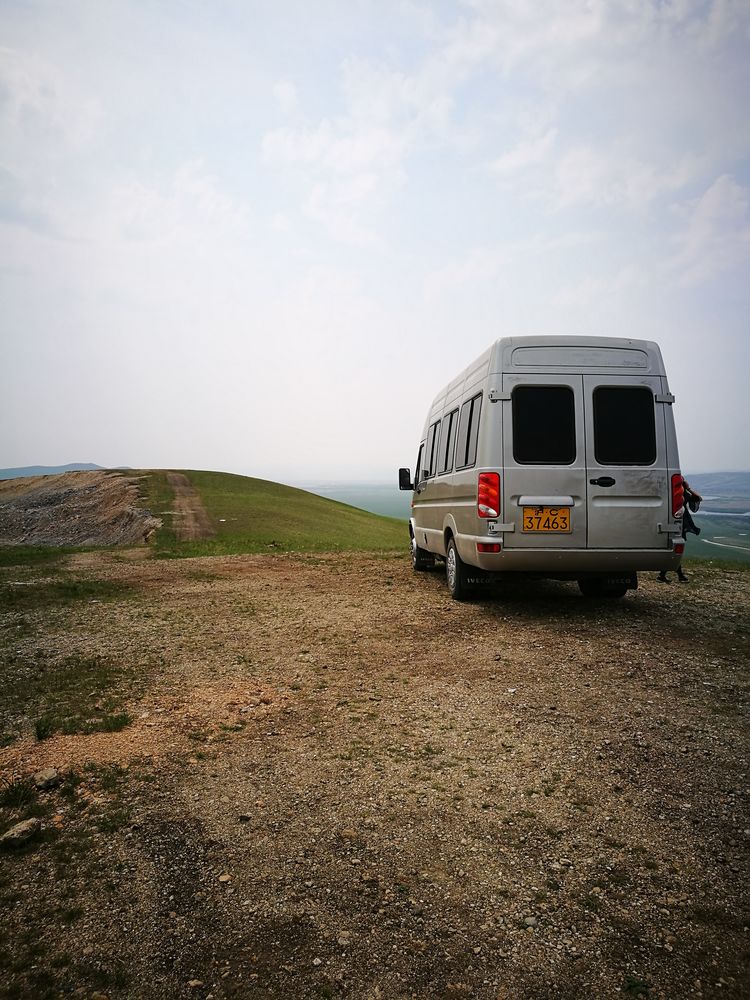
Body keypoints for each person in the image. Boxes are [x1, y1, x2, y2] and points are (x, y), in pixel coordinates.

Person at [658, 477, 703, 583]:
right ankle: (676, 575)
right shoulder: (682, 493)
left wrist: (687, 488)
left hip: (673, 521)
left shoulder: (671, 492)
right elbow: (698, 498)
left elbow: (698, 498)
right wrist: (689, 488)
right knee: (675, 549)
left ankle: (665, 575)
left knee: (674, 549)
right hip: (679, 522)